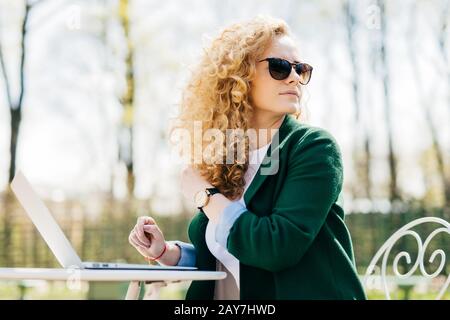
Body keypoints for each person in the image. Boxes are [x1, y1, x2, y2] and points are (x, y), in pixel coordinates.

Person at [128, 14, 367, 300]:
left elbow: (274, 248)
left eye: (300, 69)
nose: (294, 77)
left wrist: (205, 196)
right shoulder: (228, 156)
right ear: (238, 77)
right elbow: (230, 252)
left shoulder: (314, 148)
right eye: (279, 67)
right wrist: (166, 252)